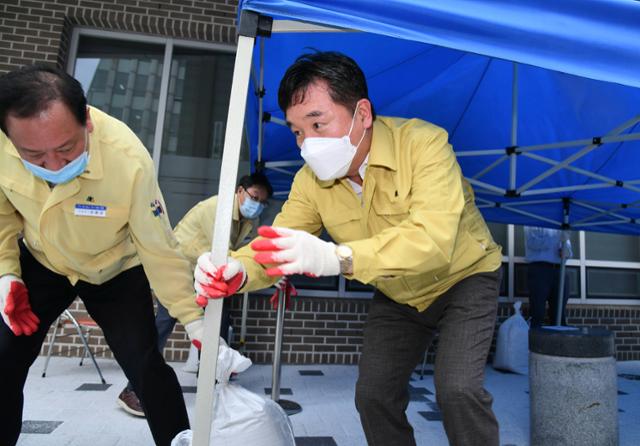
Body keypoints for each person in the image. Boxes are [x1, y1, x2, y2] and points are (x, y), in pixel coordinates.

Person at [194, 52, 504, 446]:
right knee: (373, 394)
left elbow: (433, 239)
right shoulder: (311, 182)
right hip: (398, 292)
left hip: (465, 278)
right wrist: (236, 271)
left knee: (458, 389)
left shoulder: (424, 144)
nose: (307, 144)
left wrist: (336, 257)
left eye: (318, 124)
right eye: (297, 132)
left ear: (362, 114)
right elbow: (276, 244)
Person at [0, 65, 207, 446]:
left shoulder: (129, 160)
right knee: (3, 358)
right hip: (44, 263)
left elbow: (157, 247)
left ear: (88, 122)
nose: (54, 166)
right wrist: (6, 274)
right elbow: (2, 217)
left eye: (65, 149)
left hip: (114, 269)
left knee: (144, 365)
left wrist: (193, 320)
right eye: (34, 155)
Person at [118, 172, 272, 417]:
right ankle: (132, 389)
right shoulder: (218, 209)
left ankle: (212, 383)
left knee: (217, 324)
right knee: (162, 327)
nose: (258, 205)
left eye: (263, 203)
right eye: (255, 197)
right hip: (180, 273)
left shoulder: (244, 221)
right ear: (240, 191)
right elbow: (221, 253)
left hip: (204, 275)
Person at [524, 226, 572, 327]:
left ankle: (558, 342)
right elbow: (532, 243)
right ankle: (535, 342)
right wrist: (557, 238)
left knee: (559, 314)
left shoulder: (560, 225)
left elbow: (569, 251)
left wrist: (566, 251)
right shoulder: (534, 220)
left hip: (560, 270)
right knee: (537, 312)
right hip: (540, 269)